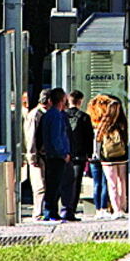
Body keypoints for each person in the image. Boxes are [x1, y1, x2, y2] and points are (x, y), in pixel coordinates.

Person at [39, 87, 71, 222]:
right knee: (55, 185)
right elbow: (56, 137)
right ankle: (51, 212)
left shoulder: (47, 115)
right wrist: (63, 153)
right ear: (62, 100)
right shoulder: (57, 116)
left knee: (51, 184)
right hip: (57, 156)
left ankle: (50, 211)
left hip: (50, 155)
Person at [63, 89, 92, 221]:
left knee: (64, 182)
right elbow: (88, 138)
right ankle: (71, 210)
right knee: (76, 182)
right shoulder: (84, 117)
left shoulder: (63, 115)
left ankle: (63, 207)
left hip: (64, 154)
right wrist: (89, 153)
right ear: (80, 101)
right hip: (79, 155)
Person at [97, 97, 129, 218]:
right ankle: (123, 207)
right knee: (122, 181)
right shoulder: (123, 123)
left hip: (107, 157)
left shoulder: (105, 122)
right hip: (121, 155)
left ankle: (116, 209)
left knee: (112, 183)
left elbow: (98, 139)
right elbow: (127, 139)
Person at [23, 88, 51, 220]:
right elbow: (31, 136)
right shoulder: (35, 115)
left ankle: (43, 211)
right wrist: (32, 155)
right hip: (38, 155)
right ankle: (38, 212)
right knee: (39, 185)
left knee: (44, 184)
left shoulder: (42, 114)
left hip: (43, 154)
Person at [86, 95, 111, 218]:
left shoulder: (90, 122)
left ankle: (97, 209)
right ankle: (104, 207)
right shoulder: (106, 124)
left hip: (93, 156)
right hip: (105, 155)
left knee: (97, 183)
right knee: (105, 182)